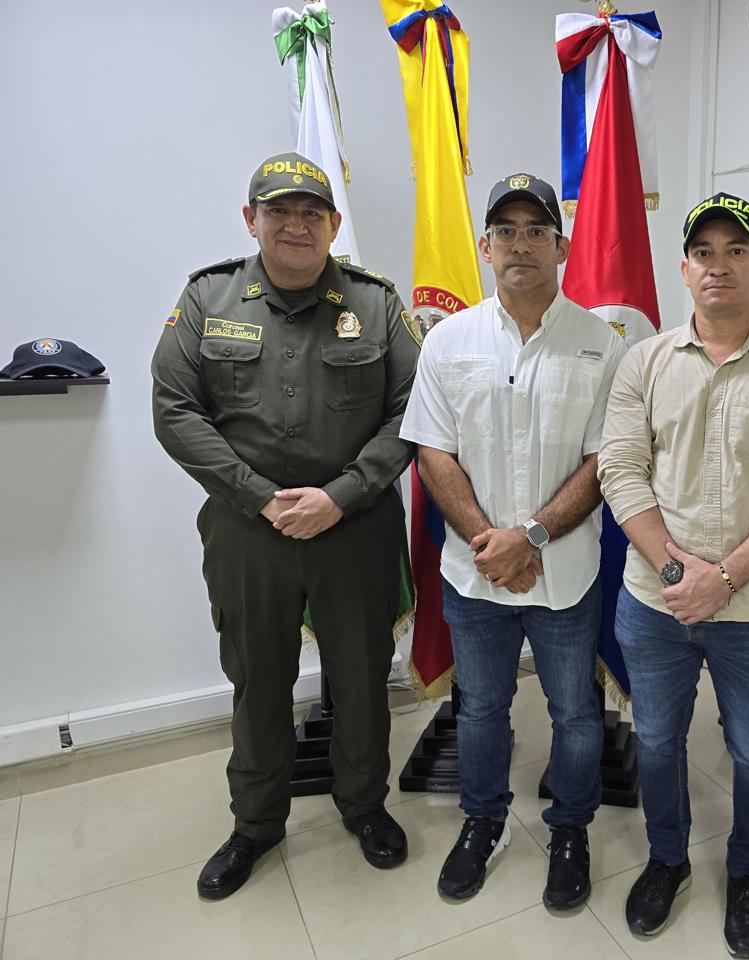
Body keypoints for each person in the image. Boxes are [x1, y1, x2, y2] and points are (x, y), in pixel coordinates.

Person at [151, 152, 420, 900]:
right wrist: (262, 497)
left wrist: (341, 494)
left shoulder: (375, 303)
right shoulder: (209, 298)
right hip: (248, 530)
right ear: (252, 220)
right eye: (279, 211)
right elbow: (173, 410)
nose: (296, 224)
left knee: (362, 678)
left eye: (312, 212)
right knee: (257, 677)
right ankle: (256, 824)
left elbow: (414, 410)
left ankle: (365, 806)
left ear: (333, 224)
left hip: (355, 525)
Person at [598, 193, 749, 958]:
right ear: (685, 268)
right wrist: (676, 568)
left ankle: (748, 874)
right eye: (705, 251)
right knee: (659, 743)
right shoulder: (644, 362)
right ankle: (667, 860)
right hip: (654, 601)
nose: (720, 264)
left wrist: (722, 578)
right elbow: (622, 474)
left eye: (738, 250)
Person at [400, 173, 627, 909]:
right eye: (506, 230)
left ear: (561, 246)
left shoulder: (602, 344)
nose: (520, 243)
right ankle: (483, 822)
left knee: (574, 713)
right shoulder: (448, 342)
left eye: (536, 230)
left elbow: (604, 460)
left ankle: (570, 828)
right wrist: (486, 542)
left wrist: (527, 537)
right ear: (484, 245)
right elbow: (432, 450)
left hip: (566, 573)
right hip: (474, 577)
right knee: (482, 708)